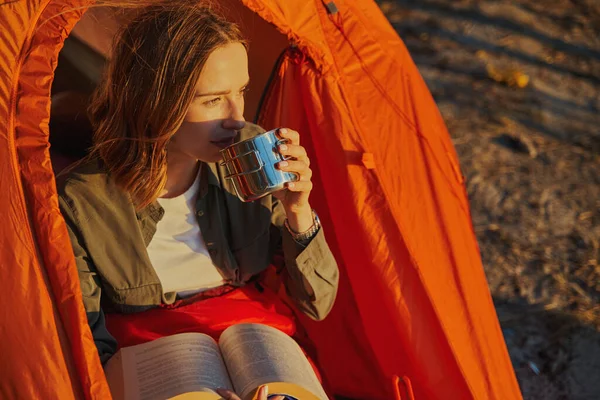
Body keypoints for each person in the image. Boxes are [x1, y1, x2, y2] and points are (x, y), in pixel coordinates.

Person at [56, 2, 339, 398]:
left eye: (240, 91)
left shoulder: (249, 153)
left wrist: (299, 212)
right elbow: (84, 344)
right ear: (155, 102)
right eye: (212, 100)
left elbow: (317, 304)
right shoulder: (82, 201)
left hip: (252, 338)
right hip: (147, 354)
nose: (236, 116)